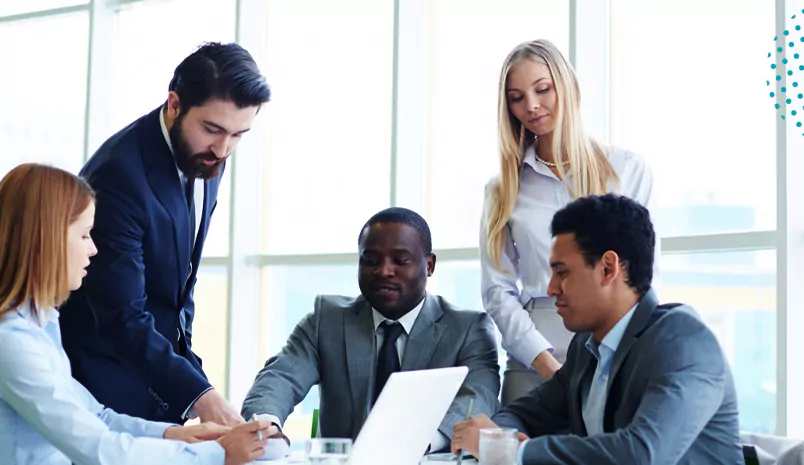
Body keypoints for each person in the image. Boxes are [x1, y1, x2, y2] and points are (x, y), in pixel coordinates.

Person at [0, 163, 277, 465]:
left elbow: (97, 416)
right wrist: (217, 454)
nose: (93, 249)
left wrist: (174, 435)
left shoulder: (40, 324)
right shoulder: (12, 343)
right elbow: (97, 449)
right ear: (46, 240)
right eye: (84, 235)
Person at [59, 42, 272, 426]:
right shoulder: (118, 177)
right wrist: (203, 399)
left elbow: (176, 288)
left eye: (239, 135)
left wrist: (197, 386)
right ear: (174, 104)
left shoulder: (207, 155)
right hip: (103, 381)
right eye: (213, 129)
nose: (223, 149)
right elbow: (122, 316)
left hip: (160, 377)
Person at [454, 194, 743, 464]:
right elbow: (522, 414)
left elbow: (642, 454)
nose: (552, 288)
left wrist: (512, 450)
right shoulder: (587, 346)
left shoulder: (683, 342)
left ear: (608, 268)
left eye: (562, 272)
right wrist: (496, 437)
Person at [480, 39, 658, 405]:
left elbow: (642, 273)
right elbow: (497, 291)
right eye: (516, 97)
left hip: (613, 348)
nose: (531, 105)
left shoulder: (626, 170)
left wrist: (617, 353)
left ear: (568, 87)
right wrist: (545, 363)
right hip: (531, 354)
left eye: (542, 89)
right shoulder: (502, 190)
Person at [242, 208, 500, 453]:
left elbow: (478, 397)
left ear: (429, 265)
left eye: (400, 260)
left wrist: (420, 442)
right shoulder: (326, 321)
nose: (384, 271)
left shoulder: (468, 329)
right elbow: (280, 377)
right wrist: (267, 424)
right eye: (370, 260)